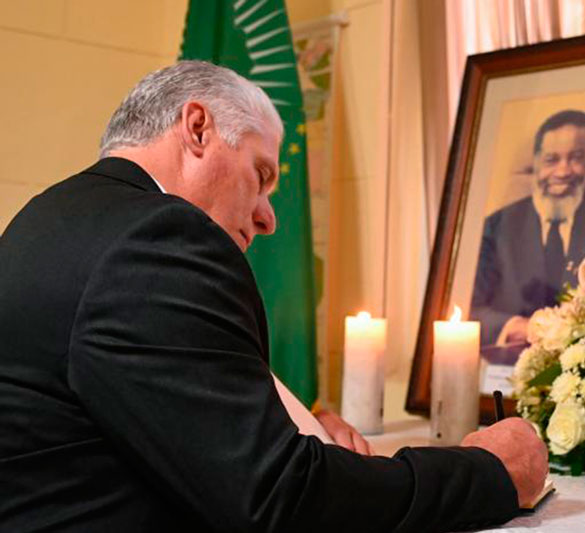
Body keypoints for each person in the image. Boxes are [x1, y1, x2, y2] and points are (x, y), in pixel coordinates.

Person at [0, 61, 548, 532]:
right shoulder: (159, 238)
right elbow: (279, 499)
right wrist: (489, 470)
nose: (267, 217)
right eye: (260, 175)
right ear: (197, 128)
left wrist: (290, 435)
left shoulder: (47, 219)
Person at [471, 110, 585, 346]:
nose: (563, 172)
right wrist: (523, 328)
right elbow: (469, 310)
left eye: (576, 158)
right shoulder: (497, 225)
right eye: (552, 160)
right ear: (536, 162)